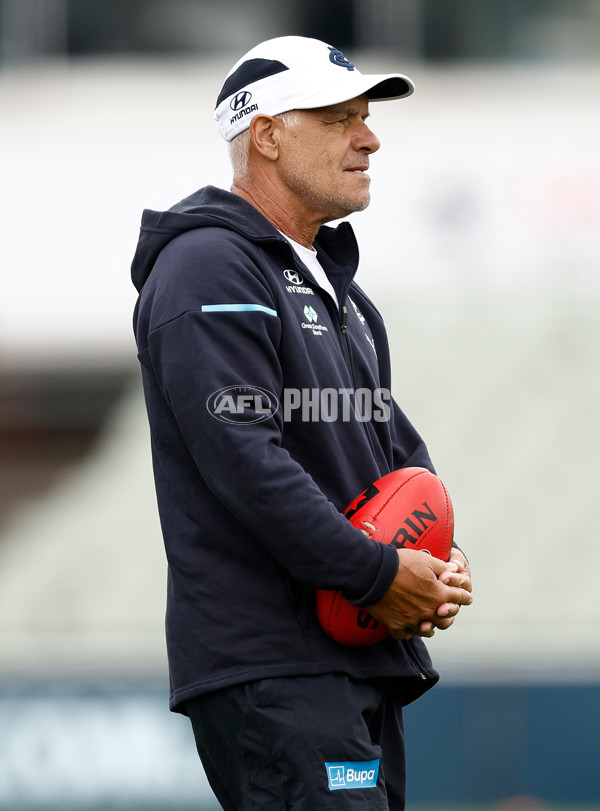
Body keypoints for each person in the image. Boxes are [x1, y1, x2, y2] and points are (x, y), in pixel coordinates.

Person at [131, 35, 472, 811]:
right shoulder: (210, 266)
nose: (369, 136)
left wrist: (438, 563)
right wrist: (382, 575)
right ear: (267, 134)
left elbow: (393, 455)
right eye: (337, 118)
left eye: (366, 116)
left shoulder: (339, 292)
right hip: (277, 664)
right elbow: (245, 458)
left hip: (351, 658)